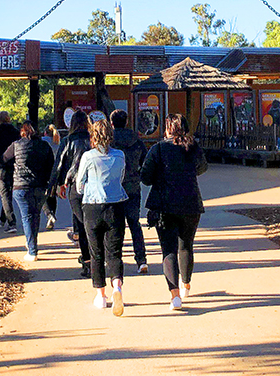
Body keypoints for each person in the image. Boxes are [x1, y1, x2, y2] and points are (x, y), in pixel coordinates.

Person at [141, 113, 207, 311]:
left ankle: (175, 296)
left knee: (168, 250)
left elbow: (145, 177)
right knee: (186, 246)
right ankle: (186, 284)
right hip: (190, 203)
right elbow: (202, 167)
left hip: (165, 205)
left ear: (168, 128)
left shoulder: (158, 149)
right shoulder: (192, 147)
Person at [76, 117, 128, 316]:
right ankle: (117, 286)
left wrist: (86, 188)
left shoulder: (88, 157)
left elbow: (80, 183)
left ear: (93, 136)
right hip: (116, 206)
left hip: (92, 207)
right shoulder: (120, 155)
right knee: (114, 251)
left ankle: (101, 295)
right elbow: (121, 177)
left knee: (95, 252)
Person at [3, 122, 54, 262]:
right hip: (40, 186)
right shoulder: (45, 146)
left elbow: (3, 159)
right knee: (35, 216)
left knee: (27, 217)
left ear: (22, 132)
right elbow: (51, 165)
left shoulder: (16, 145)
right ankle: (32, 242)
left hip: (21, 186)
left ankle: (32, 250)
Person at [49, 110, 91, 277]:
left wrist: (58, 184)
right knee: (93, 224)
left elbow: (59, 164)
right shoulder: (92, 139)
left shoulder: (67, 141)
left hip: (74, 186)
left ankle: (87, 262)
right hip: (93, 184)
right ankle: (96, 258)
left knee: (81, 225)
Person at [110, 109, 148, 273]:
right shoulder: (136, 140)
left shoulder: (109, 141)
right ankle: (141, 259)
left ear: (112, 123)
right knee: (134, 224)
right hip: (133, 185)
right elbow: (146, 161)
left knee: (115, 226)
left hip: (114, 187)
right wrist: (138, 174)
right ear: (126, 122)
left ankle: (115, 261)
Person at [0, 111, 20, 233]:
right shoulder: (15, 132)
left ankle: (12, 222)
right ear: (9, 119)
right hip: (13, 165)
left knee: (4, 194)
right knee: (8, 192)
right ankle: (2, 218)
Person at [41, 124, 60, 231]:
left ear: (44, 133)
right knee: (52, 196)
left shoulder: (42, 141)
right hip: (55, 171)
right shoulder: (57, 142)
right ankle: (52, 216)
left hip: (44, 171)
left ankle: (49, 214)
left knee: (43, 195)